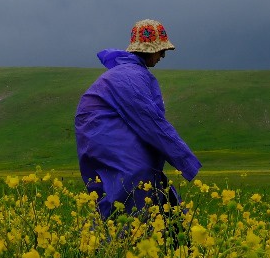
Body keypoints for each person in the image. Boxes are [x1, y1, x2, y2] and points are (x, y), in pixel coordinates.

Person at [75, 19, 202, 224]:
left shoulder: (126, 73)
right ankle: (132, 246)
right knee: (136, 182)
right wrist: (186, 161)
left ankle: (121, 244)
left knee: (126, 189)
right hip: (106, 138)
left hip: (96, 140)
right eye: (161, 50)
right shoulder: (131, 76)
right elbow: (151, 123)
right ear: (149, 51)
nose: (162, 56)